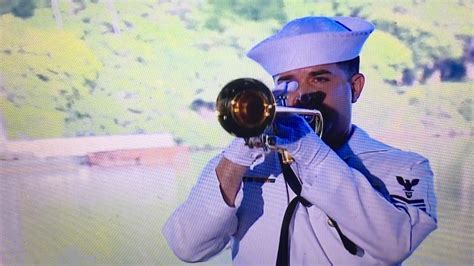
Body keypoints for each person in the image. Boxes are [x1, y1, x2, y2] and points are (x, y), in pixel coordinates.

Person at [163, 16, 437, 265]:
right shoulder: (247, 162)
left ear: (355, 87)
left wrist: (310, 150)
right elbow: (188, 247)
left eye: (318, 79)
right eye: (288, 84)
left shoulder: (404, 167)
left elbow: (395, 245)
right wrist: (239, 152)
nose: (301, 96)